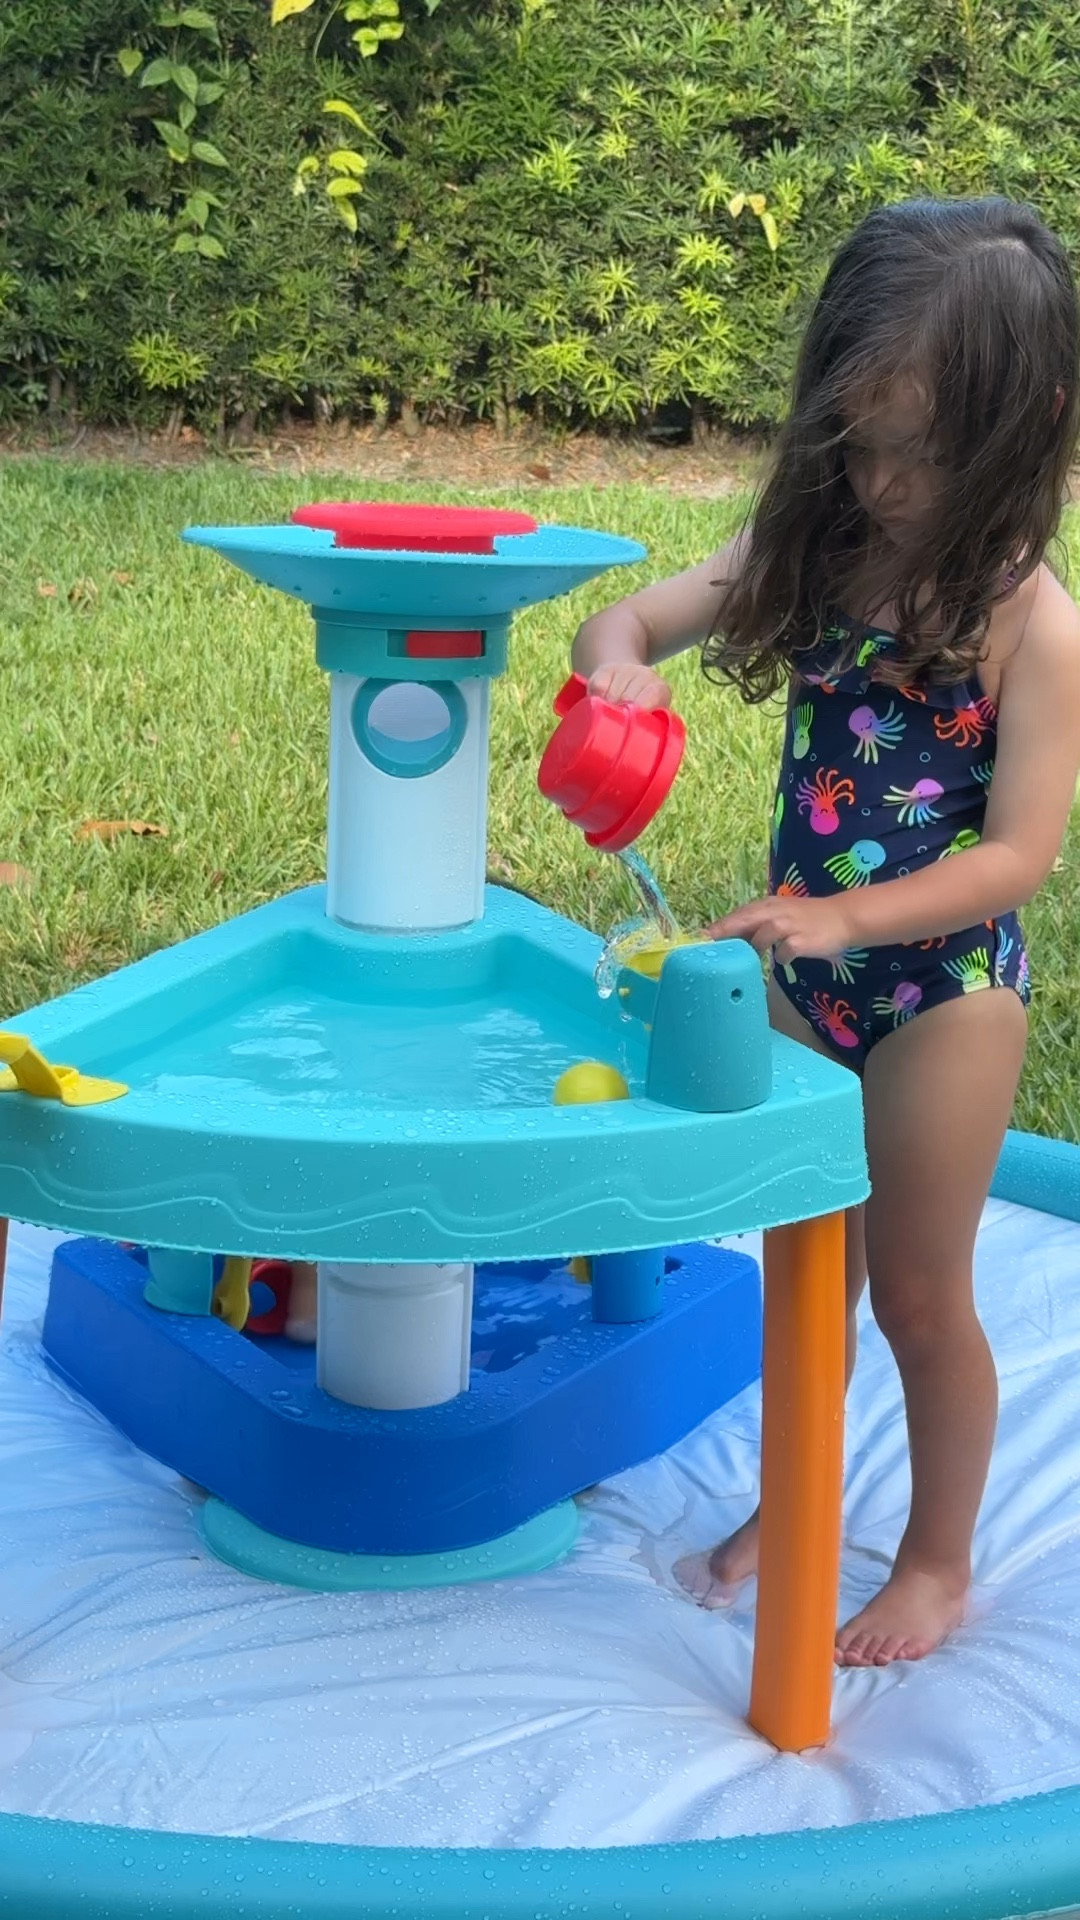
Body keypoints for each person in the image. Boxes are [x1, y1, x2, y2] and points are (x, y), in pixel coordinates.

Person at [570, 197, 1080, 1669]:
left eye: (923, 452)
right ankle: (792, 1503)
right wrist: (620, 678)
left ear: (1021, 431)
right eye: (859, 441)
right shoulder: (819, 542)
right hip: (811, 975)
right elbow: (630, 624)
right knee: (810, 1284)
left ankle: (935, 1563)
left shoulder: (1033, 624)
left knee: (919, 1295)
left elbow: (1018, 859)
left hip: (942, 998)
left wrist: (841, 918)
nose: (884, 480)